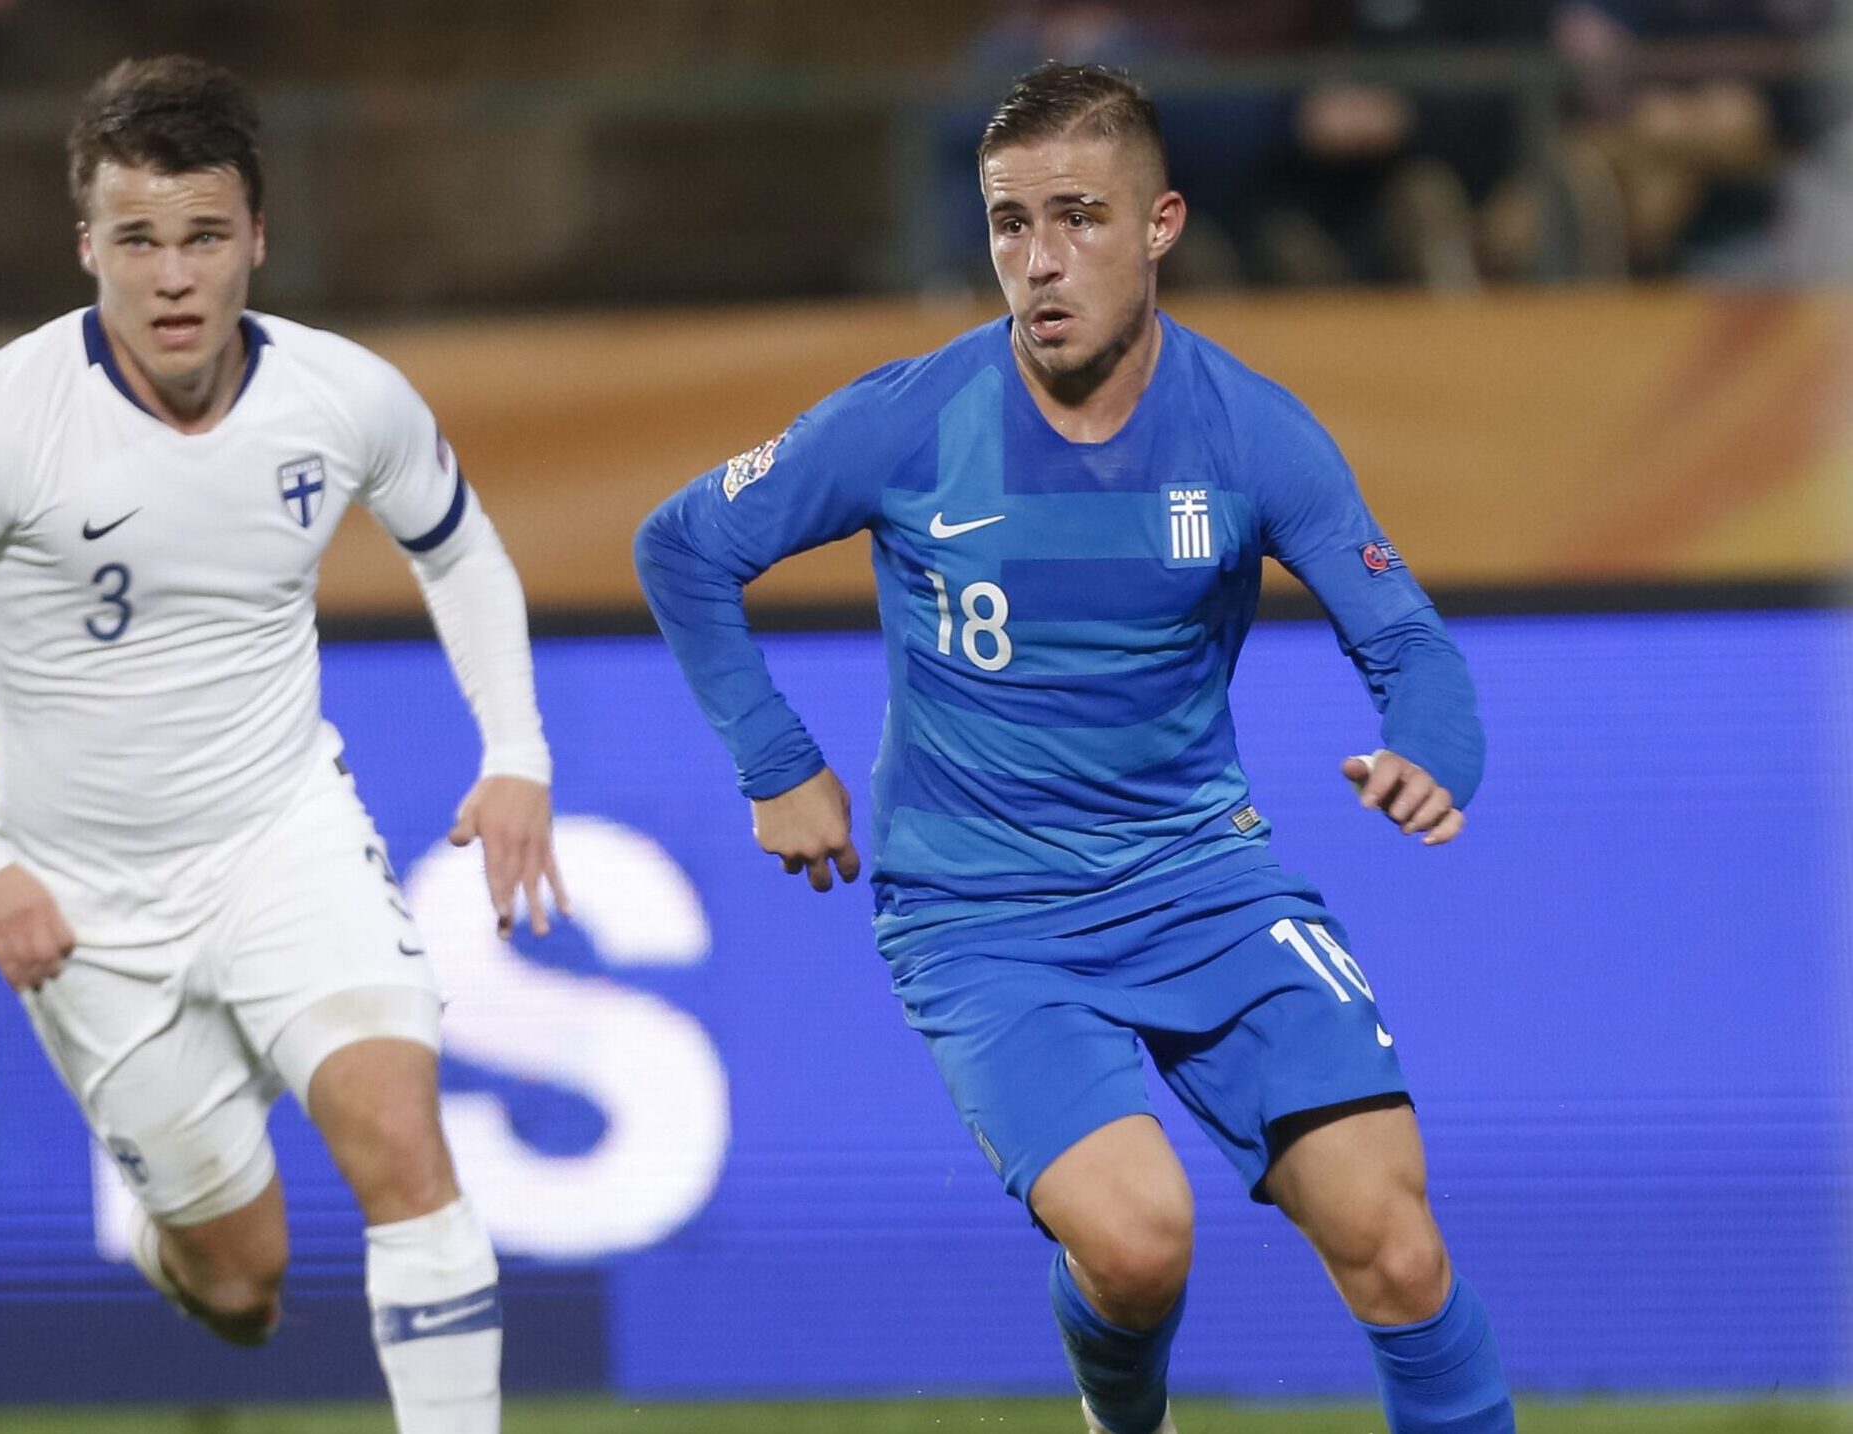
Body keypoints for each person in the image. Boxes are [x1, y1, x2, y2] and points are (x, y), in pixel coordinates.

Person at [635, 61, 1510, 1434]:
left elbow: (1407, 644)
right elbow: (682, 541)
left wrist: (1427, 752)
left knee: (1396, 1243)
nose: (1037, 263)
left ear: (1159, 224)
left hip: (1201, 887)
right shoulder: (910, 419)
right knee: (1138, 1239)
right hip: (984, 918)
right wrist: (772, 758)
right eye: (1006, 224)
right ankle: (1126, 1416)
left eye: (1077, 218)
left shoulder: (1251, 433)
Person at [0, 55, 561, 1434]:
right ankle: (186, 1249)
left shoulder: (340, 398)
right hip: (85, 907)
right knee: (245, 1281)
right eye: (138, 240)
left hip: (283, 841)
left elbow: (461, 552)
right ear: (85, 242)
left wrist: (515, 749)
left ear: (255, 242)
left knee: (404, 1146)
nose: (171, 278)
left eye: (204, 238)